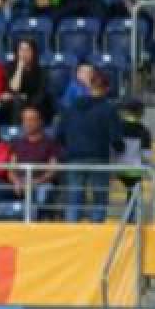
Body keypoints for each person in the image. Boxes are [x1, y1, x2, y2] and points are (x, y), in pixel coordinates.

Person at [59, 69, 121, 222]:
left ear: (89, 86)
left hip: (74, 157)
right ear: (107, 88)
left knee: (74, 198)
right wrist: (121, 149)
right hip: (98, 157)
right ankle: (96, 233)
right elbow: (116, 139)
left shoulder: (71, 107)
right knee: (99, 198)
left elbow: (59, 133)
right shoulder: (109, 109)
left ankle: (72, 231)